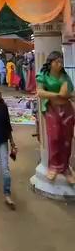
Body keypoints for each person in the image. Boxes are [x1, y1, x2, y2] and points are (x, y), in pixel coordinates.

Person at [36, 51, 75, 184]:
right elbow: (40, 92)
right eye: (57, 62)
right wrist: (57, 95)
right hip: (52, 110)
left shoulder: (64, 76)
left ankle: (65, 168)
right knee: (54, 137)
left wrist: (64, 95)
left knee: (67, 139)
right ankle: (54, 166)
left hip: (67, 110)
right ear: (50, 62)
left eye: (61, 62)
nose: (59, 64)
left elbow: (69, 93)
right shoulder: (44, 75)